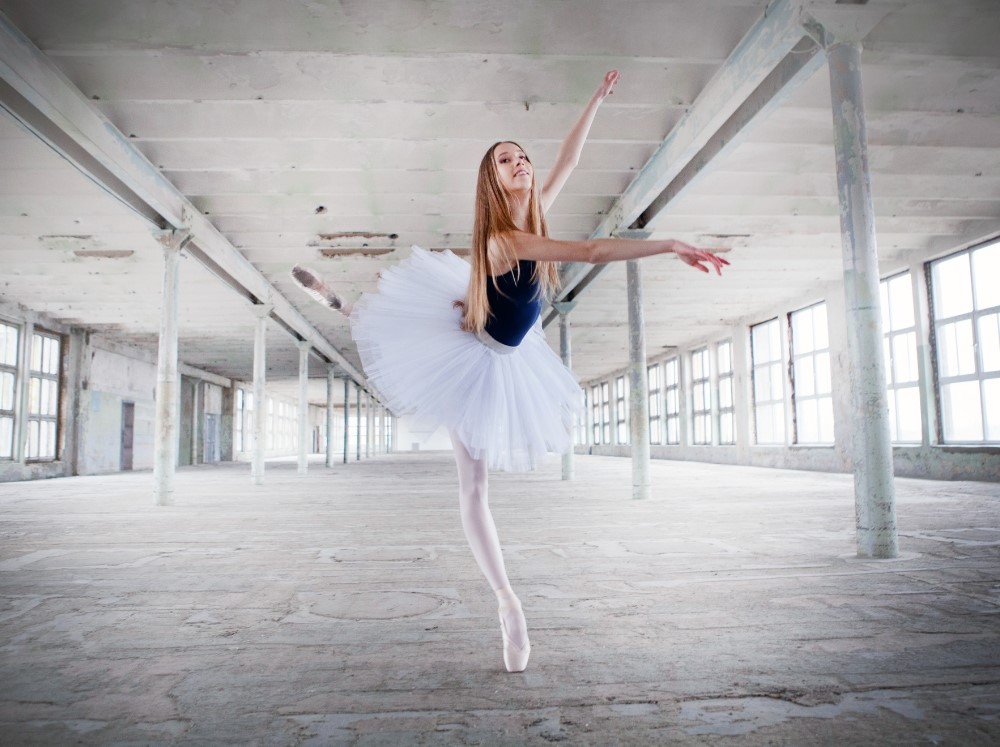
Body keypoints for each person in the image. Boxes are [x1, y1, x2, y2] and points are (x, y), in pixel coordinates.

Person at [291, 70, 728, 673]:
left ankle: (344, 304)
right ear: (491, 180)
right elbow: (593, 253)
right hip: (475, 358)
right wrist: (668, 243)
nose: (519, 163)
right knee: (472, 487)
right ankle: (507, 602)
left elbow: (570, 161)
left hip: (507, 350)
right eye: (506, 160)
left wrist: (594, 102)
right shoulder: (504, 239)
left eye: (522, 156)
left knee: (472, 451)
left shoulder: (534, 216)